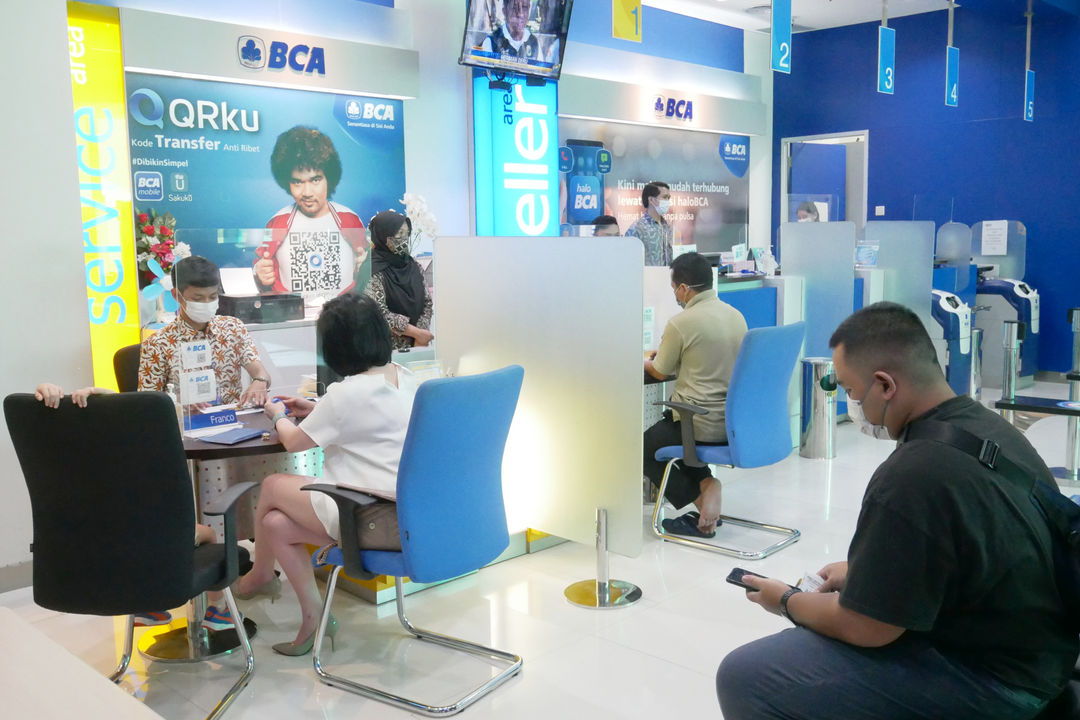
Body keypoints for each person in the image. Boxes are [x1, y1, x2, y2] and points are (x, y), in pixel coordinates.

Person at [716, 302, 1078, 720]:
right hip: (1041, 649)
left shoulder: (912, 475)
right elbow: (970, 549)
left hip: (999, 682)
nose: (854, 407)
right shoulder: (989, 428)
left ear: (885, 385)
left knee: (747, 676)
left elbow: (866, 628)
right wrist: (862, 573)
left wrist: (787, 600)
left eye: (851, 392)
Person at [233, 294, 417, 656]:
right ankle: (314, 619)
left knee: (271, 485)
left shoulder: (346, 394)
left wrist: (276, 414)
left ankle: (259, 574)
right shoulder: (407, 379)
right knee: (275, 525)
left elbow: (294, 443)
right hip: (410, 516)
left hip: (368, 516)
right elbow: (367, 421)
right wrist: (317, 409)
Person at [33, 382, 236, 630]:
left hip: (89, 561)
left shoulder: (66, 470)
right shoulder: (143, 460)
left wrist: (47, 389)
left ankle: (149, 607)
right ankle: (218, 611)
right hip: (152, 549)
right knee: (207, 533)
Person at [643, 253, 747, 537]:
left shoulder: (682, 322)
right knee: (672, 435)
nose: (675, 294)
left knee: (645, 448)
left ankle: (704, 503)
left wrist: (645, 361)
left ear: (684, 288)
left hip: (698, 423)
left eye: (675, 287)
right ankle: (706, 485)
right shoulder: (736, 317)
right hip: (731, 423)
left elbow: (660, 372)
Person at [138, 255, 270, 407]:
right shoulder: (157, 344)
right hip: (185, 425)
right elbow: (147, 404)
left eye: (212, 296)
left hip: (231, 421)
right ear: (176, 295)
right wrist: (178, 404)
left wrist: (260, 382)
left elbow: (260, 371)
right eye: (198, 298)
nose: (207, 303)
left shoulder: (232, 328)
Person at [254, 126, 367, 302]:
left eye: (315, 180)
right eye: (297, 182)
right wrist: (260, 274)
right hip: (294, 319)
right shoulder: (277, 222)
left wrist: (365, 268)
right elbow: (261, 267)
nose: (307, 192)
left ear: (329, 178)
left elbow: (367, 268)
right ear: (287, 182)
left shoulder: (349, 218)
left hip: (344, 317)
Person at [362, 210, 433, 351]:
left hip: (418, 345)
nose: (404, 238)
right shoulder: (370, 270)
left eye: (406, 233)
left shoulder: (413, 265)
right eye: (398, 234)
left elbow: (427, 303)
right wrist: (416, 333)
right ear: (382, 236)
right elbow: (378, 313)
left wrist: (420, 337)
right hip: (384, 349)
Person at [480, 0, 549, 63]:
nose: (520, 14)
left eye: (524, 7)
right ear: (505, 12)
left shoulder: (534, 43)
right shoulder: (491, 42)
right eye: (514, 8)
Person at [625, 181, 673, 266]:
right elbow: (629, 260)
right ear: (651, 199)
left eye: (668, 198)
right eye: (664, 197)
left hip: (667, 276)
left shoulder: (668, 226)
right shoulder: (637, 228)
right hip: (647, 277)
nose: (667, 201)